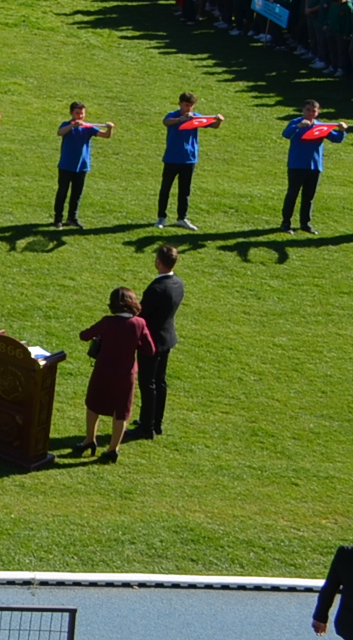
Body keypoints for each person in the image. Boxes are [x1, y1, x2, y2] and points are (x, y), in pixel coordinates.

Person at [76, 286, 155, 462]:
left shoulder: (107, 322)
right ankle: (113, 449)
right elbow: (150, 349)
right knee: (121, 411)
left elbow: (84, 335)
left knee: (93, 404)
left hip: (103, 371)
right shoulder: (139, 324)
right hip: (126, 374)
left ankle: (89, 440)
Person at [134, 244, 182, 440]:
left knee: (147, 383)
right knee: (160, 381)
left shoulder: (156, 288)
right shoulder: (177, 283)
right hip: (166, 338)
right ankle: (156, 422)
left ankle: (146, 427)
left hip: (151, 341)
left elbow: (141, 314)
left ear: (159, 262)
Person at [157, 89, 222, 231]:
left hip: (189, 159)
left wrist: (219, 121)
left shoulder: (195, 117)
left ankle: (182, 218)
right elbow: (166, 122)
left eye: (191, 106)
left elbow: (213, 125)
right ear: (180, 104)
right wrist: (182, 119)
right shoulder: (173, 115)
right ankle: (161, 217)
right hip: (172, 159)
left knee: (184, 191)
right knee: (165, 189)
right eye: (186, 105)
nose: (189, 108)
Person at [282, 99, 349, 233]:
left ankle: (305, 224)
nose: (310, 113)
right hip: (297, 165)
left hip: (314, 166)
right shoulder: (296, 122)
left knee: (309, 197)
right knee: (292, 195)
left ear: (318, 112)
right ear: (303, 110)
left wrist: (342, 130)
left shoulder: (320, 126)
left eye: (314, 111)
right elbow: (286, 134)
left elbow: (336, 139)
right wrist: (298, 126)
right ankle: (285, 223)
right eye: (308, 110)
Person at [54, 102, 112, 228]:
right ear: (71, 113)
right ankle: (58, 218)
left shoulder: (88, 127)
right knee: (62, 192)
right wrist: (72, 126)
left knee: (76, 194)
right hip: (66, 165)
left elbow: (105, 135)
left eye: (82, 113)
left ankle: (72, 218)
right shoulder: (66, 125)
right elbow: (60, 132)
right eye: (77, 113)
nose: (80, 116)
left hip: (82, 166)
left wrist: (110, 128)